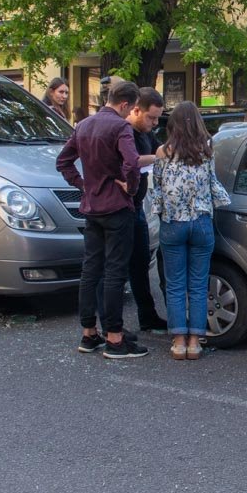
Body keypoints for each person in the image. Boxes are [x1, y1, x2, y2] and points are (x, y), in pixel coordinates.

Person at [56, 80, 149, 358]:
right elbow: (131, 163)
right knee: (115, 272)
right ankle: (115, 337)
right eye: (130, 108)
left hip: (91, 205)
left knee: (90, 270)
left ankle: (89, 333)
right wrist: (130, 188)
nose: (129, 113)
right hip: (116, 207)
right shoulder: (120, 127)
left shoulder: (83, 125)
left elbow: (63, 161)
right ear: (124, 104)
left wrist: (83, 184)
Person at [151, 102, 232, 360]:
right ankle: (195, 342)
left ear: (173, 124)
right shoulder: (207, 152)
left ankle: (178, 342)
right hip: (201, 223)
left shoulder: (163, 152)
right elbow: (213, 185)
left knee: (175, 284)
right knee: (198, 285)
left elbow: (157, 190)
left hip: (174, 223)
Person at [126, 87, 167, 330]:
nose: (154, 123)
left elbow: (159, 147)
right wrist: (156, 158)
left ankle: (147, 315)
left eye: (157, 119)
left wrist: (162, 152)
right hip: (122, 208)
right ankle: (109, 327)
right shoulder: (125, 132)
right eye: (151, 117)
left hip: (138, 207)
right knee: (118, 267)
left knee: (141, 263)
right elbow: (130, 160)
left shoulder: (145, 133)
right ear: (135, 109)